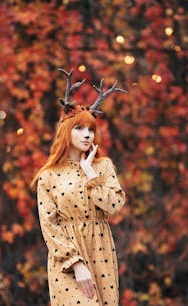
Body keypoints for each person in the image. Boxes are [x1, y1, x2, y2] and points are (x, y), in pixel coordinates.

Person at [31, 68, 127, 306]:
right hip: (66, 259)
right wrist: (75, 262)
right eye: (79, 128)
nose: (87, 135)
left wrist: (90, 174)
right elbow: (49, 225)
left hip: (101, 253)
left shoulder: (102, 166)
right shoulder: (48, 176)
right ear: (66, 132)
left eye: (91, 130)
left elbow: (114, 206)